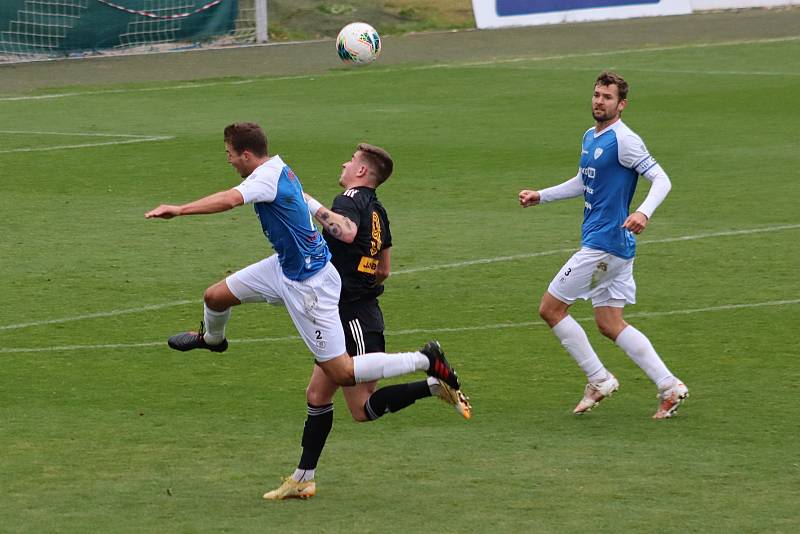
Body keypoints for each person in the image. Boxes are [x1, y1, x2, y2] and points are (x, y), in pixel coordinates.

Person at [144, 122, 465, 484]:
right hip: (283, 266)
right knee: (215, 296)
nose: (230, 160)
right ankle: (212, 340)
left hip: (308, 286)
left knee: (344, 375)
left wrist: (180, 209)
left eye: (230, 154)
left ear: (246, 154)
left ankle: (427, 360)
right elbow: (383, 267)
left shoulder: (272, 179)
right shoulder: (281, 168)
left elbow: (231, 199)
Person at [262, 144, 472, 500]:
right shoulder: (379, 212)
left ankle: (431, 374)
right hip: (352, 312)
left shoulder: (347, 199)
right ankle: (303, 478)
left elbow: (343, 232)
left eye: (351, 160)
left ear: (361, 172)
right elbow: (385, 270)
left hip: (351, 316)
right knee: (316, 394)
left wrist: (305, 201)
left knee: (361, 408)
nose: (344, 163)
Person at [518, 72, 688, 420]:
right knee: (610, 323)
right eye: (596, 94)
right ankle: (669, 387)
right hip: (616, 246)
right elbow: (584, 180)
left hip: (604, 244)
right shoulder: (590, 135)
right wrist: (542, 196)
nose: (599, 101)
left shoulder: (625, 141)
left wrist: (643, 211)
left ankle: (599, 379)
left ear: (621, 104)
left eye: (607, 97)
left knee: (551, 309)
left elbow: (662, 179)